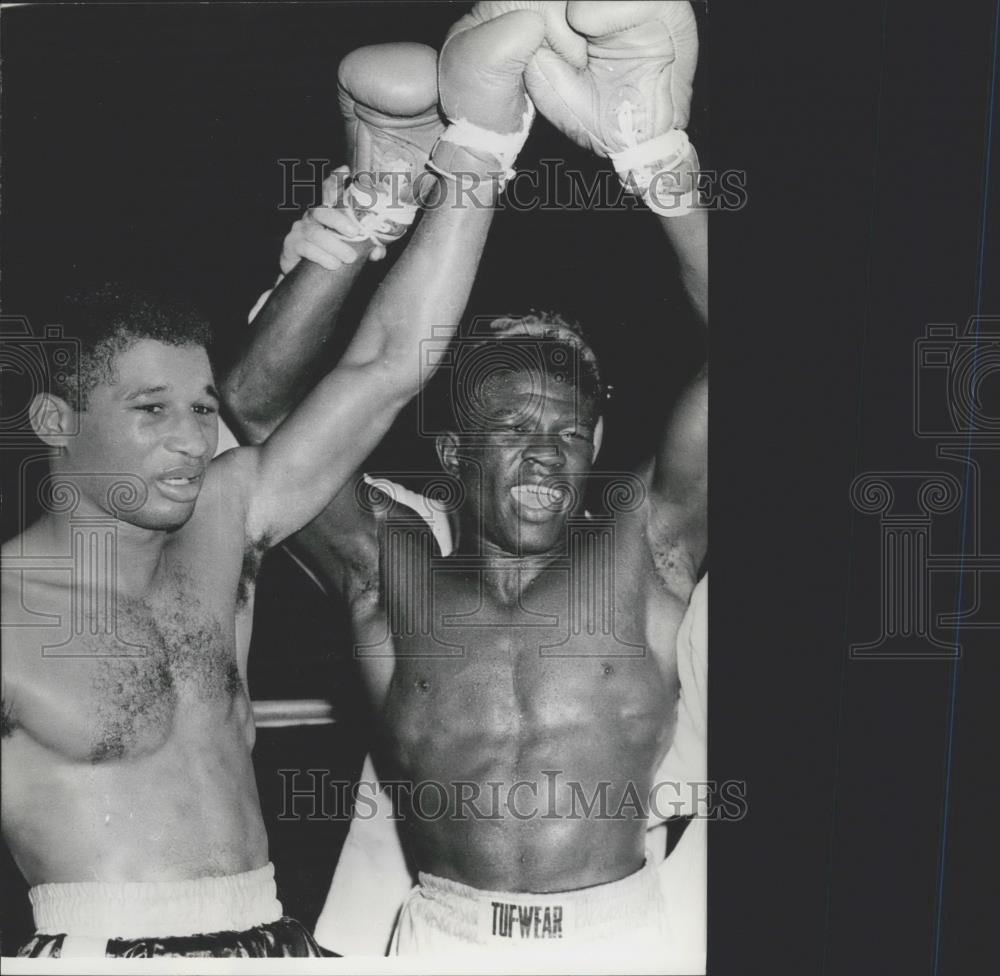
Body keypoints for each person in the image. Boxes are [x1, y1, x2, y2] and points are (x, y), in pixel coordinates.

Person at [0, 36, 507, 957]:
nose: (194, 440)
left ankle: (383, 188)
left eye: (200, 407)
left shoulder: (225, 521)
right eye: (151, 411)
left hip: (274, 937)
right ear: (54, 420)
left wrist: (481, 152)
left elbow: (388, 365)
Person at [223, 3, 707, 966]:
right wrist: (368, 211)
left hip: (626, 935)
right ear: (451, 451)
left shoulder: (644, 555)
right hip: (440, 937)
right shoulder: (389, 578)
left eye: (569, 433)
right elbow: (258, 412)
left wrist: (654, 153)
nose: (544, 453)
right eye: (513, 429)